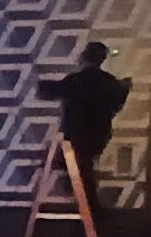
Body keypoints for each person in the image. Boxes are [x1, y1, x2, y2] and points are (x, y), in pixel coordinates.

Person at [48, 41, 130, 179]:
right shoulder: (109, 81)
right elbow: (118, 102)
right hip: (99, 134)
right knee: (85, 169)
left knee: (77, 170)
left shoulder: (75, 80)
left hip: (75, 132)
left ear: (85, 57)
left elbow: (50, 92)